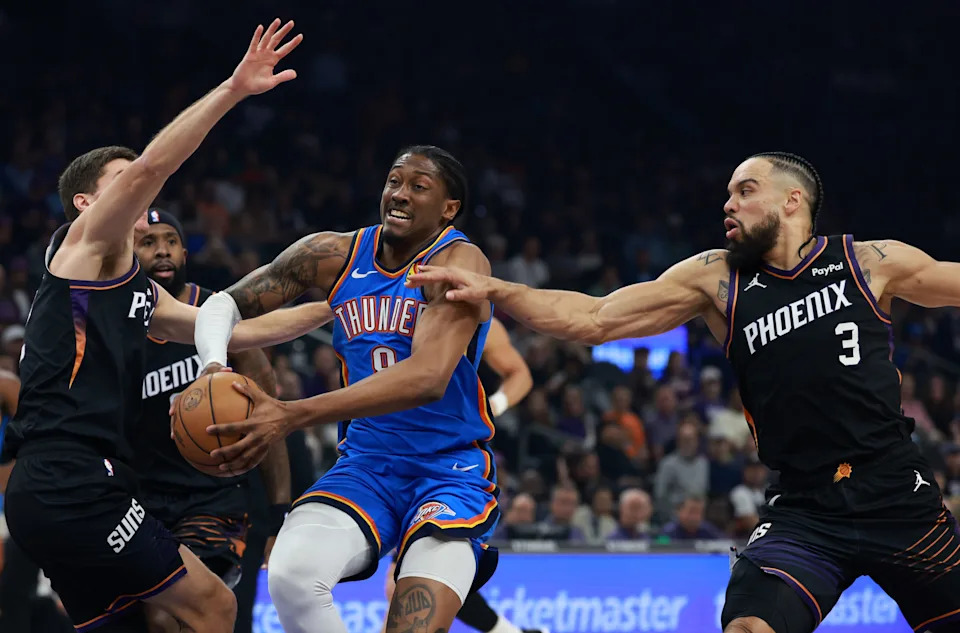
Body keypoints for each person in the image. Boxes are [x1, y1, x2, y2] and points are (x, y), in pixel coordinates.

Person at [409, 151, 960, 633]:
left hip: (897, 496)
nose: (729, 204)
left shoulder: (868, 262)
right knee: (748, 625)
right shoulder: (717, 278)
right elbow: (594, 318)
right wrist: (498, 289)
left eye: (745, 191)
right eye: (728, 194)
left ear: (793, 200)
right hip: (805, 507)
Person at [0, 20, 320, 633]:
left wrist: (344, 303)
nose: (140, 191)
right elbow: (152, 166)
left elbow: (237, 331)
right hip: (71, 477)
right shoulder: (79, 249)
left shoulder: (137, 291)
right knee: (214, 606)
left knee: (146, 623)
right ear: (86, 204)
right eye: (120, 181)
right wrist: (232, 89)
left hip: (61, 486)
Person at [192, 145, 500, 633]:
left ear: (449, 208)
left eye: (418, 186)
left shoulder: (460, 261)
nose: (400, 194)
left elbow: (427, 378)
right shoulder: (334, 253)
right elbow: (222, 305)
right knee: (291, 575)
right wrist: (212, 364)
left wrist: (291, 413)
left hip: (447, 469)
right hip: (366, 465)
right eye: (394, 181)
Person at [133, 210, 292, 633]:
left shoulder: (219, 314)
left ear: (185, 253)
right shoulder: (121, 327)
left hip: (214, 500)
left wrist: (279, 513)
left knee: (176, 613)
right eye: (148, 242)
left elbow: (269, 417)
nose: (162, 250)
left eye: (170, 240)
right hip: (142, 499)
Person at [381, 315, 543, 633]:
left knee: (416, 571)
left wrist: (492, 407)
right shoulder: (385, 308)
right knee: (411, 576)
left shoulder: (476, 319)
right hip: (391, 448)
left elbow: (520, 375)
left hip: (452, 458)